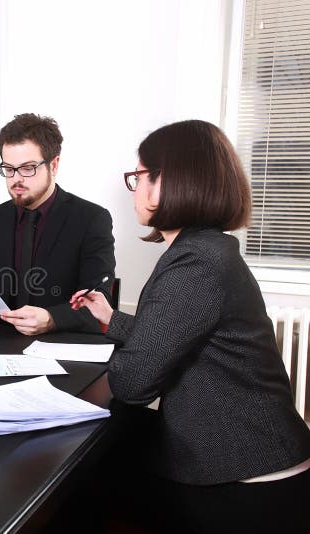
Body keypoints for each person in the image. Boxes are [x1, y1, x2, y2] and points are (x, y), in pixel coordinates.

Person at [70, 120, 310, 533]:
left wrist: (130, 348)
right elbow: (186, 337)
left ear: (172, 181)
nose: (135, 187)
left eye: (140, 175)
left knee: (93, 479)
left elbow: (133, 382)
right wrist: (114, 318)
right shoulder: (207, 249)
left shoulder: (195, 263)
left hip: (248, 479)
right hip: (250, 458)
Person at [0, 113, 115, 334]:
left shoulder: (91, 219)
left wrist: (52, 319)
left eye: (27, 168)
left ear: (54, 165)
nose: (16, 179)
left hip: (60, 346)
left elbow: (99, 300)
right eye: (8, 169)